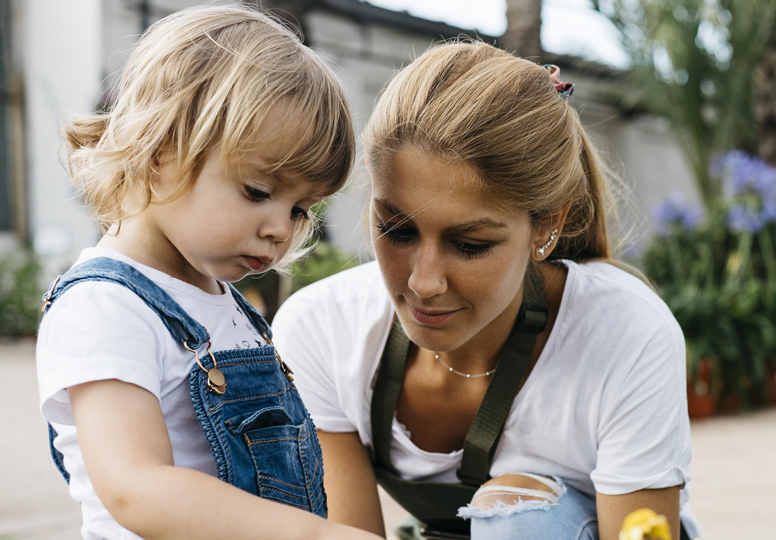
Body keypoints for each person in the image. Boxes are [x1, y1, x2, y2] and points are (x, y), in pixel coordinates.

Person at [272, 41, 700, 540]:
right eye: (398, 231)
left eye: (470, 244)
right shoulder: (320, 330)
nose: (423, 282)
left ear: (546, 226)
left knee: (517, 515)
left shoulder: (625, 334)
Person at [36, 6, 381, 540]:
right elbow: (136, 486)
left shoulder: (220, 300)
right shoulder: (105, 306)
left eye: (300, 208)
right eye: (258, 192)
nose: (279, 228)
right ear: (160, 150)